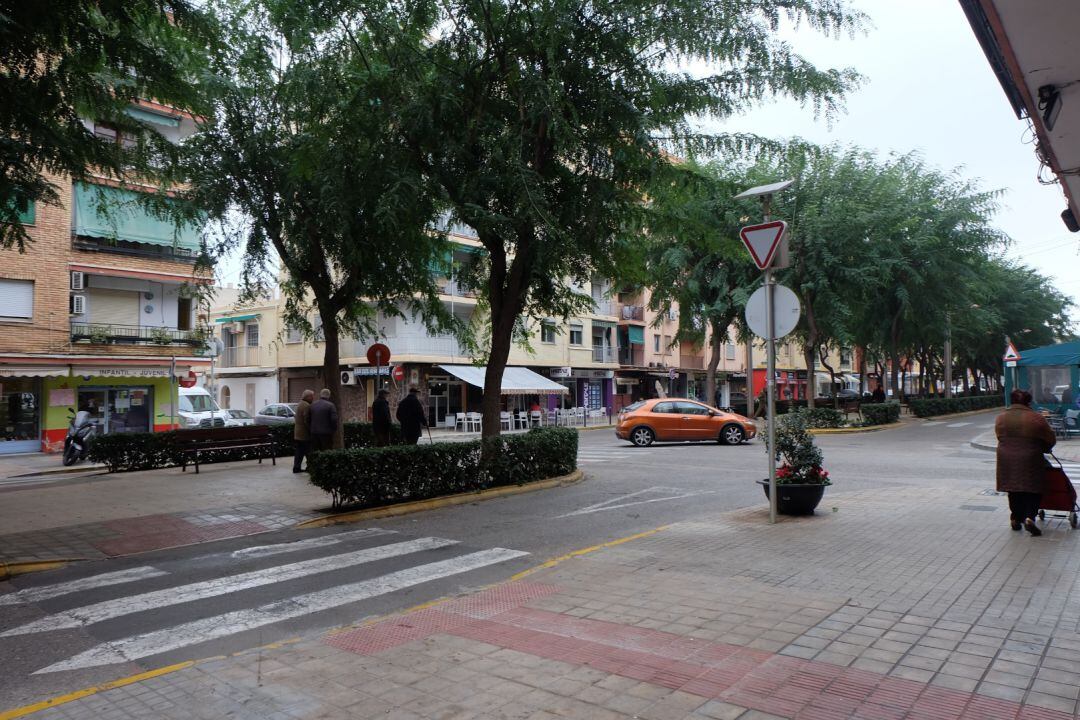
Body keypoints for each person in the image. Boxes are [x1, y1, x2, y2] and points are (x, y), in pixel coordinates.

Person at [996, 389, 1056, 536]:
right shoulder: (1036, 418)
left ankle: (1016, 518)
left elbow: (999, 436)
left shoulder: (1001, 418)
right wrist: (1045, 448)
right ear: (1028, 402)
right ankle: (1029, 517)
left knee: (1013, 488)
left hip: (1006, 458)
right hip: (1030, 457)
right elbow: (1050, 438)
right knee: (1033, 488)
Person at [292, 389, 314, 473]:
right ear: (307, 397)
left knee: (299, 452)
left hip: (298, 433)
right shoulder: (306, 405)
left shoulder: (300, 404)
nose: (312, 398)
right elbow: (306, 420)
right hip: (304, 434)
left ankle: (296, 467)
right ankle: (310, 467)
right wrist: (310, 429)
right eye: (312, 396)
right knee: (308, 451)